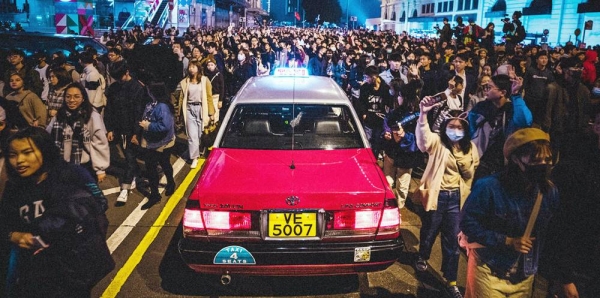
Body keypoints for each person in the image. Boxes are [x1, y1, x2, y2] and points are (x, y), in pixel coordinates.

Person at [0, 127, 114, 297]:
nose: (19, 161)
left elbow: (99, 203)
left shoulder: (72, 174)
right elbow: (5, 221)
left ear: (44, 150)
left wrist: (48, 229)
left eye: (27, 152)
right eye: (13, 155)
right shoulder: (14, 188)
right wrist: (13, 235)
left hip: (72, 271)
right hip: (33, 276)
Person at [460, 128, 559, 298]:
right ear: (515, 158)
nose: (543, 164)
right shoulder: (489, 186)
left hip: (524, 275)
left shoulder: (549, 192)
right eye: (535, 159)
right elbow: (467, 223)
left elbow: (554, 233)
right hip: (489, 271)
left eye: (547, 159)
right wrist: (507, 241)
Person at [415, 97, 479, 298]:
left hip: (456, 200)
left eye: (459, 127)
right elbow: (423, 141)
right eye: (451, 126)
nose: (455, 130)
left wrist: (461, 158)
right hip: (438, 196)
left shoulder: (471, 149)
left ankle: (451, 281)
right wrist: (423, 114)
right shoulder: (438, 142)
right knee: (429, 232)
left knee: (452, 241)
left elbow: (470, 175)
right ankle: (422, 256)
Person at [543, 110, 600, 298]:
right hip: (578, 271)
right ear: (596, 128)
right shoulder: (573, 170)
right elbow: (559, 224)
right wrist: (564, 277)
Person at [469, 73, 532, 180]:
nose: (485, 90)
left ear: (502, 92)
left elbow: (525, 121)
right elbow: (471, 127)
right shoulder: (480, 107)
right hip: (481, 160)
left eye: (489, 87)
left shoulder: (512, 108)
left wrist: (516, 94)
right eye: (484, 87)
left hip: (505, 161)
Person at [47, 82, 110, 182]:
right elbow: (48, 137)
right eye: (68, 97)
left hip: (85, 167)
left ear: (83, 98)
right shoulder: (59, 115)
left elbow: (99, 143)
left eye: (76, 97)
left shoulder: (92, 116)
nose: (72, 100)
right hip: (62, 166)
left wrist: (100, 169)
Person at [104, 61, 147, 205]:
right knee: (128, 156)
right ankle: (137, 173)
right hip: (118, 128)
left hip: (132, 129)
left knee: (129, 156)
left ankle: (126, 187)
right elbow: (109, 109)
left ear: (127, 72)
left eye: (120, 77)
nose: (119, 81)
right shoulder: (114, 88)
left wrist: (136, 133)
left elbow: (139, 112)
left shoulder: (138, 88)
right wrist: (109, 128)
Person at [134, 81, 176, 210]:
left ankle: (168, 184)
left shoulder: (162, 106)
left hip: (161, 143)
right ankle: (157, 192)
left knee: (161, 165)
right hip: (152, 142)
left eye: (150, 90)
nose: (148, 92)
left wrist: (149, 126)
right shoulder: (152, 103)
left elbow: (166, 126)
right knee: (155, 167)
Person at [381, 78, 421, 209]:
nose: (398, 98)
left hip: (406, 157)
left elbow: (420, 138)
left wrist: (405, 136)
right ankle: (387, 205)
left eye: (400, 96)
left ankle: (398, 207)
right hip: (391, 153)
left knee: (402, 186)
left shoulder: (419, 116)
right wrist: (386, 134)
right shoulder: (396, 112)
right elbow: (387, 123)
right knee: (387, 181)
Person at [173, 60, 215, 169]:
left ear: (198, 68)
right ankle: (195, 157)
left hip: (202, 108)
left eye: (194, 67)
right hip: (189, 109)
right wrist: (178, 112)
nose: (191, 69)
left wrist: (211, 113)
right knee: (192, 135)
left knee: (201, 133)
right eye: (190, 67)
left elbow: (209, 97)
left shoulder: (205, 81)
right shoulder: (184, 82)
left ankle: (201, 149)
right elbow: (179, 97)